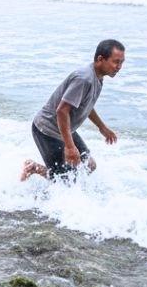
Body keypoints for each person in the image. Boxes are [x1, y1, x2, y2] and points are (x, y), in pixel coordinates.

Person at [21, 40, 125, 181]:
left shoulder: (98, 78)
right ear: (100, 59)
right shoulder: (84, 79)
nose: (119, 67)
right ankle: (34, 168)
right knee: (64, 180)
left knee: (89, 165)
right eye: (116, 62)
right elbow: (62, 111)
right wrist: (70, 147)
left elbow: (85, 104)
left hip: (64, 128)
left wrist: (102, 128)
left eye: (121, 63)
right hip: (47, 130)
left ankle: (39, 169)